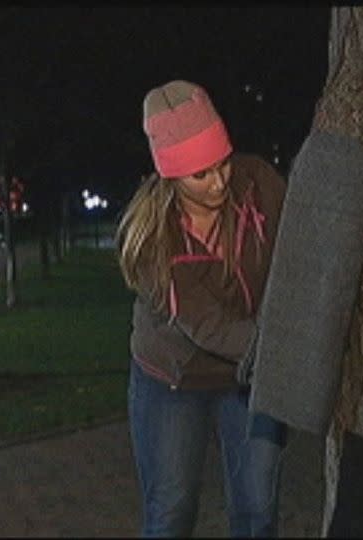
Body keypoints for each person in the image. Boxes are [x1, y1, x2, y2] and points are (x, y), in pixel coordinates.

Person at [116, 80, 287, 537]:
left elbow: (298, 255)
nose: (218, 182)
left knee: (258, 510)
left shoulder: (259, 185)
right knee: (171, 512)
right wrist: (288, 352)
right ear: (171, 174)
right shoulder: (152, 238)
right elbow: (208, 326)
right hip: (172, 379)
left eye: (222, 163)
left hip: (250, 377)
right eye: (200, 175)